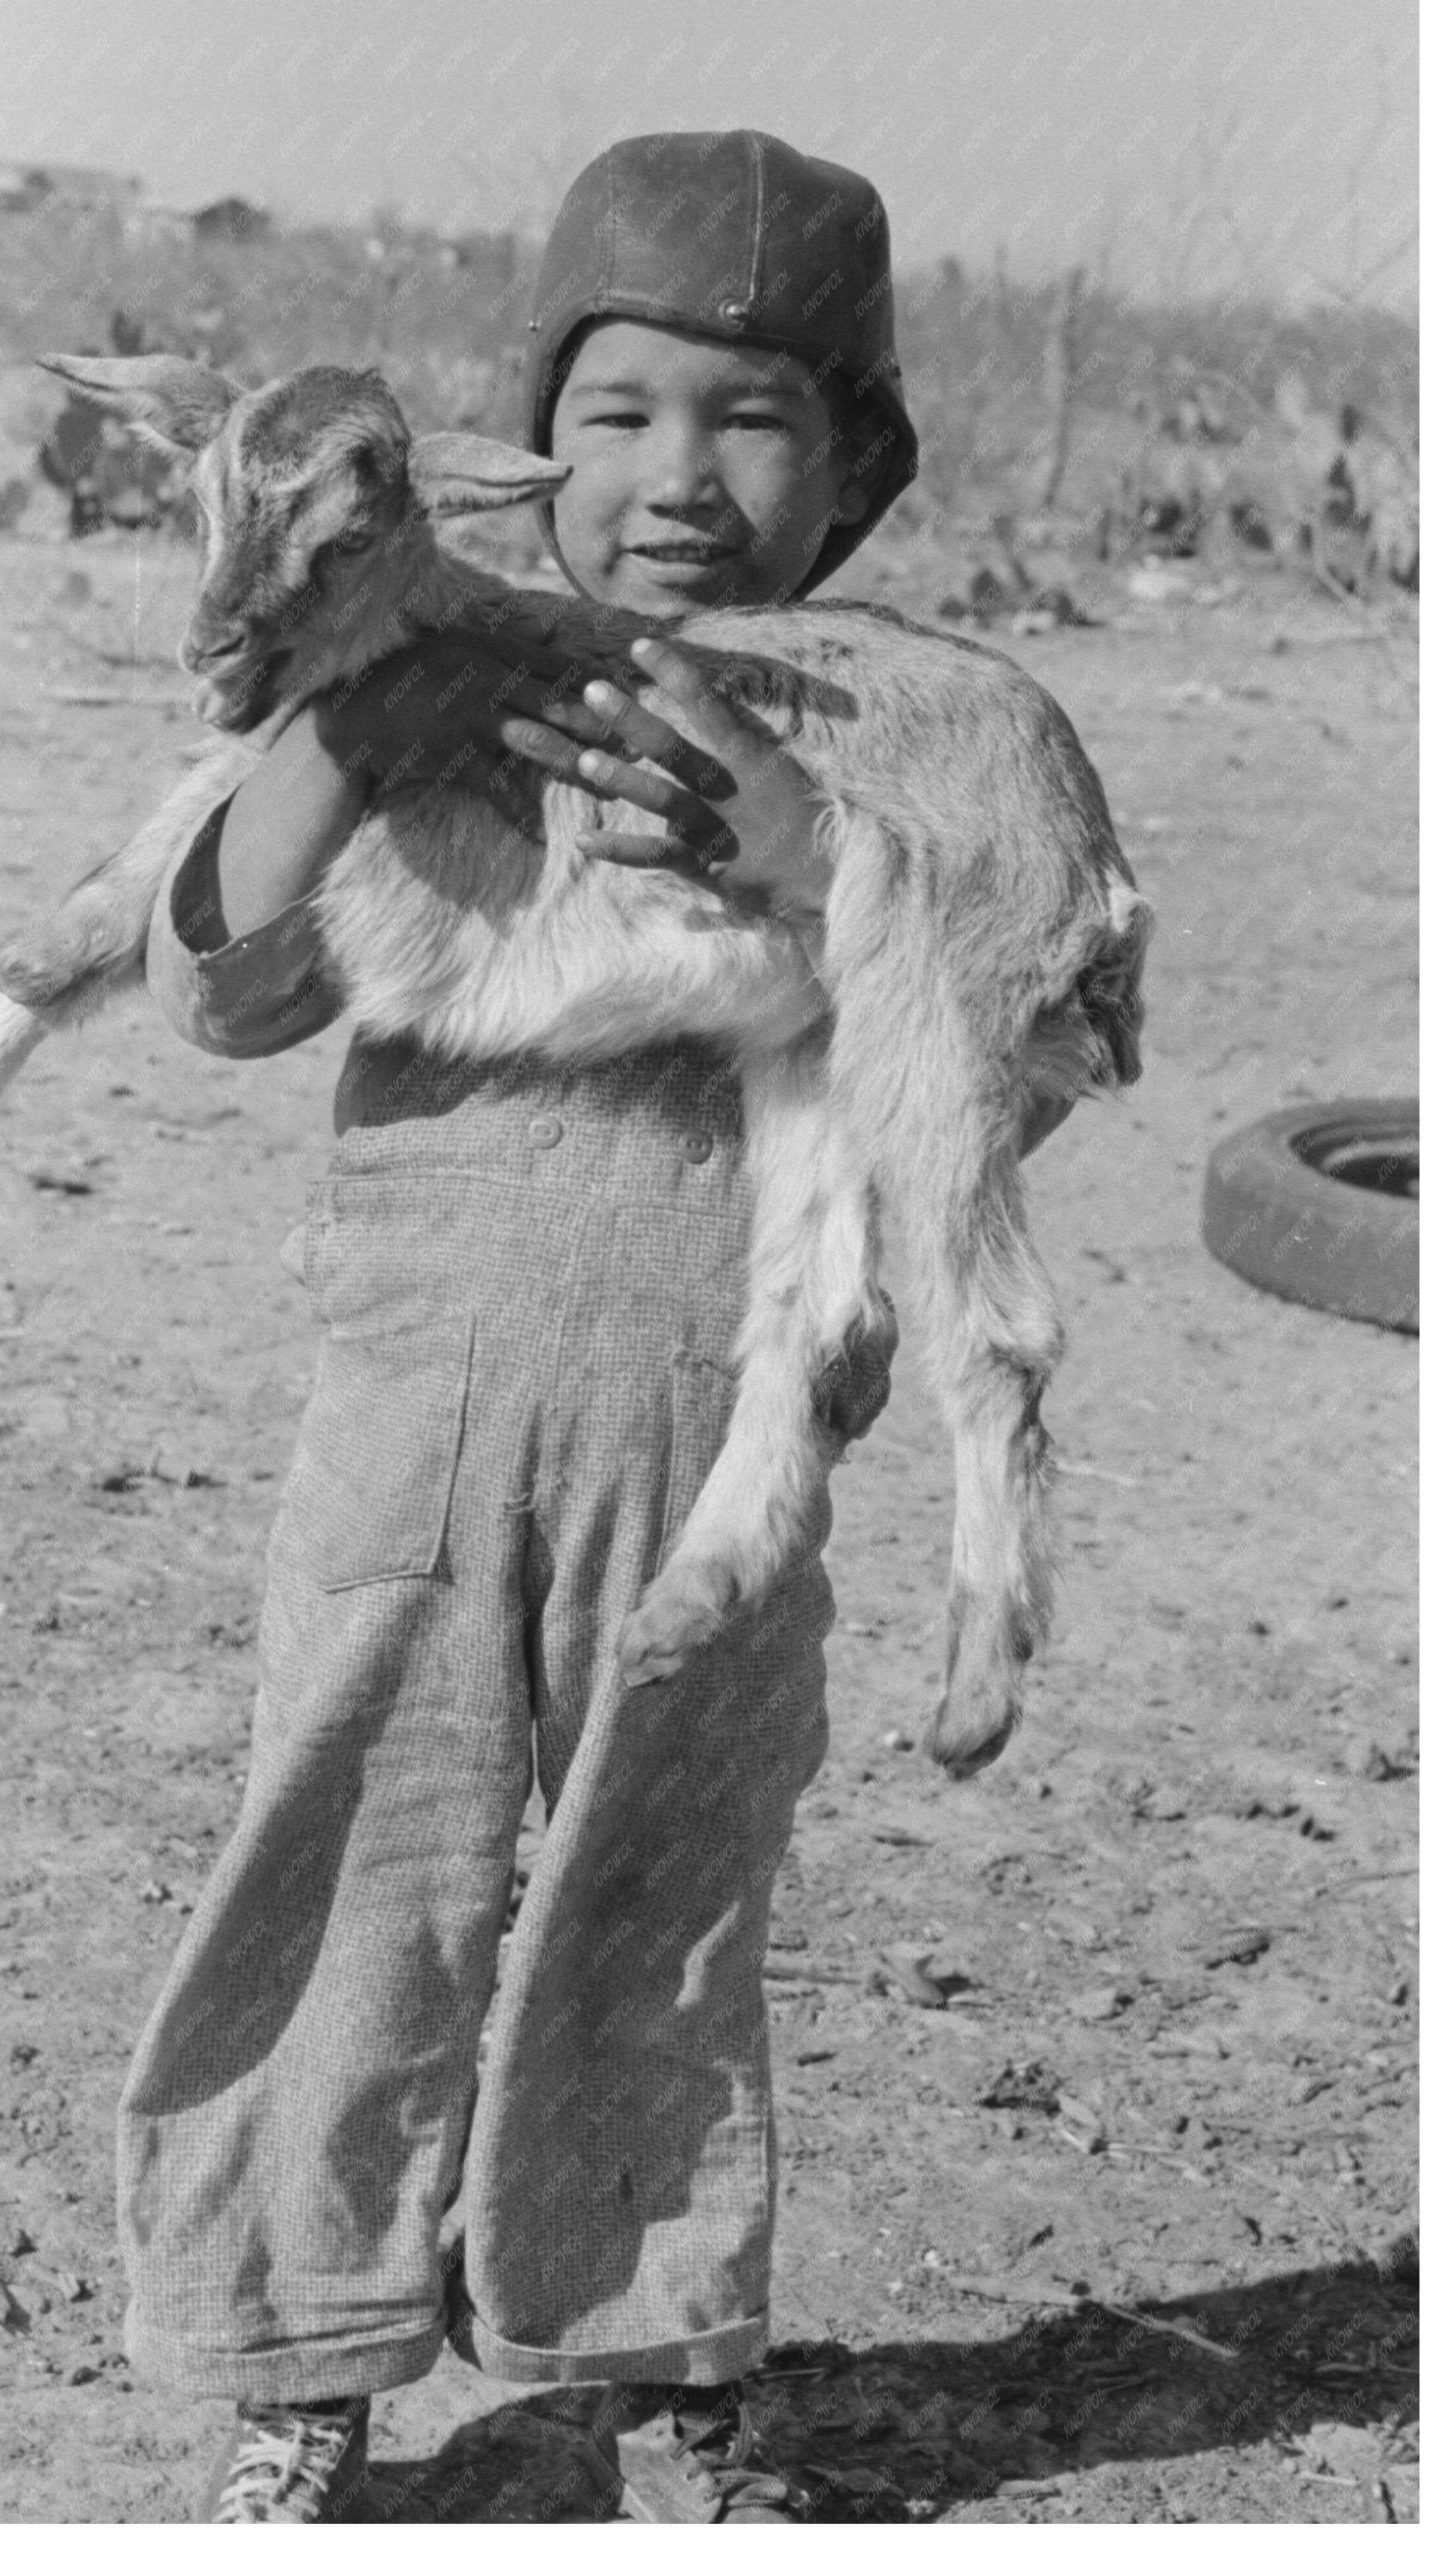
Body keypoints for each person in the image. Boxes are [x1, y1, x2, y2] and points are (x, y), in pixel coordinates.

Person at [117, 130, 1073, 2525]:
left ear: (860, 463)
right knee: (347, 1868)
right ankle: (300, 2360)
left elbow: (1034, 1045)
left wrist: (816, 864)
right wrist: (350, 722)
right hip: (411, 1422)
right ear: (526, 440)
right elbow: (210, 969)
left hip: (727, 1449)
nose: (678, 476)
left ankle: (666, 2381)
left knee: (665, 1901)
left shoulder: (925, 730)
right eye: (622, 409)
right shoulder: (426, 662)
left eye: (756, 417)